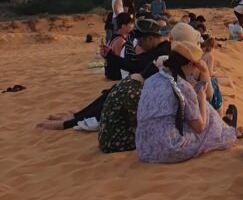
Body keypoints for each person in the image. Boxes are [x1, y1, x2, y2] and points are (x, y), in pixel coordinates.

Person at [37, 21, 168, 132]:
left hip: (154, 97)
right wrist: (110, 55)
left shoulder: (162, 51)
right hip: (147, 90)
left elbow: (134, 65)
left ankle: (69, 123)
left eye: (140, 40)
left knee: (116, 95)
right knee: (113, 91)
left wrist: (111, 56)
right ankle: (74, 117)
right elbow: (134, 65)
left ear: (151, 38)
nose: (138, 43)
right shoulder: (157, 49)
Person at [135, 35, 239, 164]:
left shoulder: (151, 80)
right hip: (169, 149)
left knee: (195, 108)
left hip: (144, 148)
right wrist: (201, 98)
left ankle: (226, 128)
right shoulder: (182, 86)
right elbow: (199, 127)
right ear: (190, 64)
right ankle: (227, 132)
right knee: (207, 110)